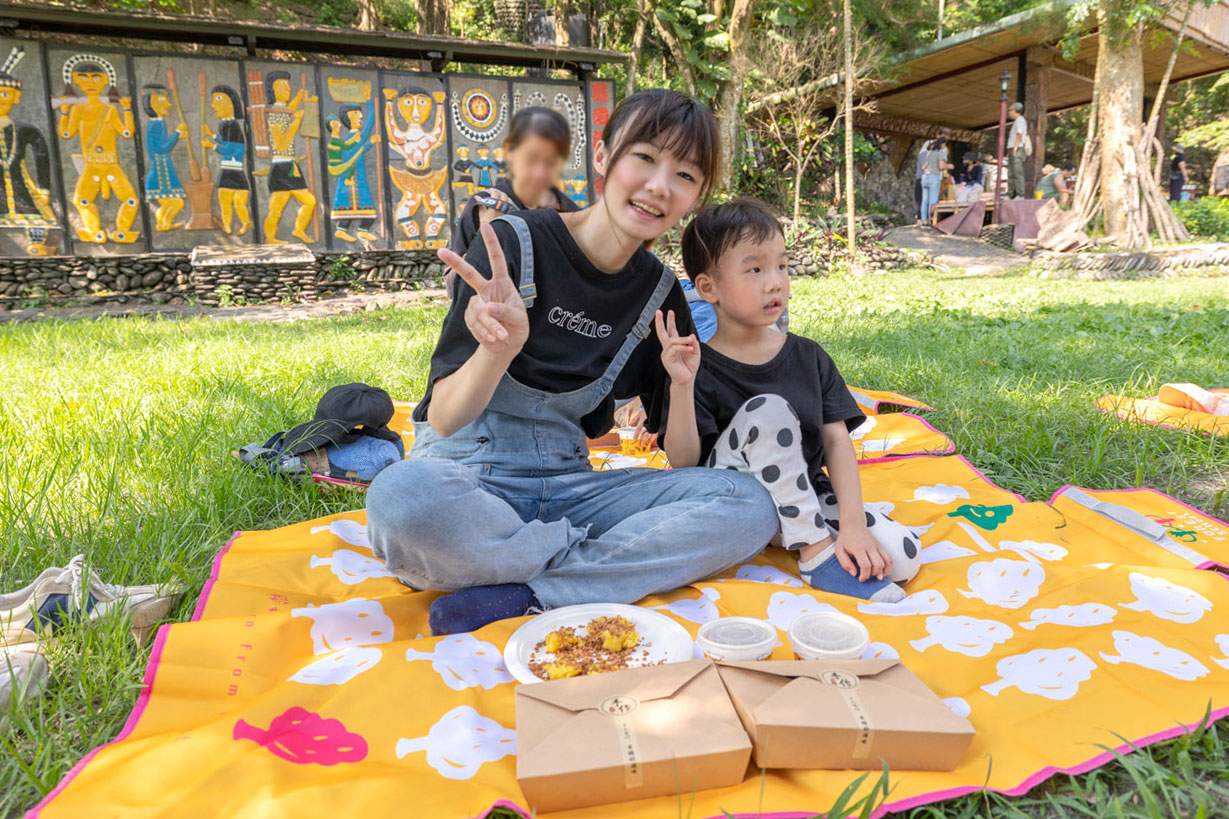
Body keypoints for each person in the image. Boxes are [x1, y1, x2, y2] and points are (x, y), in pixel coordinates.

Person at [365, 89, 778, 636]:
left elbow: (683, 462)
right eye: (646, 158)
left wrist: (682, 387)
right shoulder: (511, 245)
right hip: (467, 477)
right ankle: (588, 565)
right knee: (401, 497)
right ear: (605, 158)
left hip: (571, 489)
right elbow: (441, 419)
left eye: (685, 175)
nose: (659, 186)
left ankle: (531, 592)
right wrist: (496, 351)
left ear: (695, 196)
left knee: (746, 501)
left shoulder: (659, 294)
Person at [658, 198, 920, 602]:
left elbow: (836, 442)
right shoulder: (698, 365)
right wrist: (681, 386)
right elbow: (684, 464)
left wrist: (852, 525)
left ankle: (797, 535)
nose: (776, 281)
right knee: (769, 409)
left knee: (902, 557)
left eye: (781, 265)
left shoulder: (808, 355)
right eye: (755, 269)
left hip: (803, 493)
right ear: (708, 287)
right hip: (732, 501)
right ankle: (815, 554)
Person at [445, 106, 579, 297]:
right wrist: (487, 234)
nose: (540, 171)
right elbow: (453, 288)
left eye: (551, 160)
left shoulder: (566, 209)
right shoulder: (484, 205)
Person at [202, 85, 252, 235]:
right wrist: (212, 135)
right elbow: (227, 142)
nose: (212, 105)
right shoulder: (225, 124)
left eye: (217, 99)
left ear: (230, 103)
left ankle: (245, 222)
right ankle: (227, 225)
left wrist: (211, 145)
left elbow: (229, 149)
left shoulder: (232, 125)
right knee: (224, 202)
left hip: (235, 171)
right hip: (227, 170)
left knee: (238, 203)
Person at [141, 84, 188, 232]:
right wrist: (176, 133)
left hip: (162, 167)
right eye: (163, 100)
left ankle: (162, 224)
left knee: (168, 204)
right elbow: (161, 148)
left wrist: (178, 135)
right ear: (152, 103)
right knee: (177, 203)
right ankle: (164, 224)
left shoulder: (157, 123)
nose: (168, 104)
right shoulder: (155, 125)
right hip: (161, 172)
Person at [918, 134, 951, 226]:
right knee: (933, 201)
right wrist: (949, 166)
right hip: (934, 177)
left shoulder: (929, 152)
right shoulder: (940, 152)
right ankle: (931, 221)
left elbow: (923, 167)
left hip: (925, 177)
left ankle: (924, 220)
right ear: (943, 144)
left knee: (925, 201)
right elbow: (941, 167)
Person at [1006, 101, 1029, 199]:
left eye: (1010, 110)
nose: (1010, 113)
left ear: (1014, 110)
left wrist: (1015, 148)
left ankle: (1020, 194)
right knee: (1011, 172)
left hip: (1017, 149)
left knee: (1017, 172)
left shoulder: (1020, 120)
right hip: (1013, 148)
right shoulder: (1017, 121)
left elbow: (1019, 134)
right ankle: (1010, 194)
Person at [914, 141, 928, 223]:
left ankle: (920, 218)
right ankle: (921, 218)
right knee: (921, 199)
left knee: (920, 199)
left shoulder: (922, 153)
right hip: (922, 178)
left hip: (920, 178)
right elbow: (924, 167)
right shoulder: (924, 154)